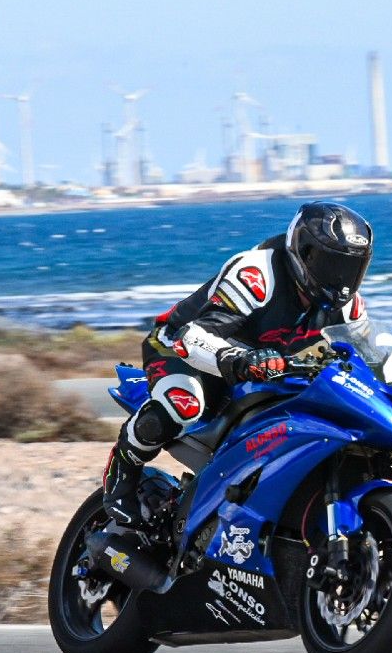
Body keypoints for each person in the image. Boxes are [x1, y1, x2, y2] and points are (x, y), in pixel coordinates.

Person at [102, 200, 375, 525]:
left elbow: (365, 356)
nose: (341, 278)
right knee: (184, 404)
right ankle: (122, 472)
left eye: (349, 268)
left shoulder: (346, 306)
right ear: (303, 252)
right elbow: (192, 336)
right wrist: (236, 357)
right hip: (181, 350)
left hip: (260, 370)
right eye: (331, 265)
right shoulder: (257, 274)